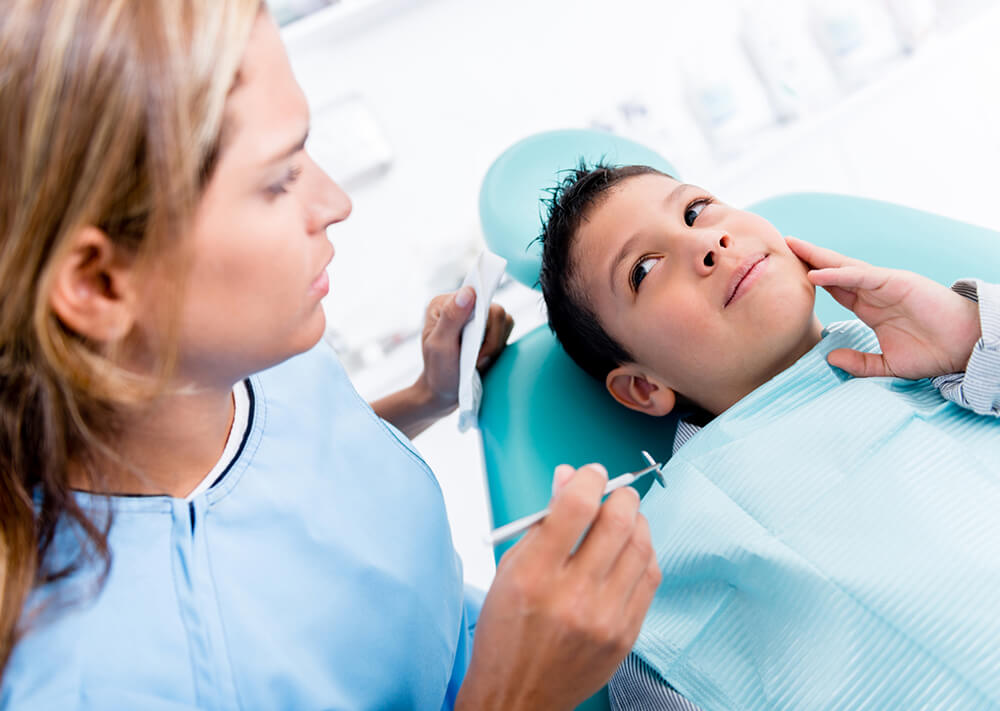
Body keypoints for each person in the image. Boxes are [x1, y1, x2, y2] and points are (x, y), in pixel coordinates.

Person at [0, 4, 662, 709]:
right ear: (99, 284)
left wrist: (423, 396)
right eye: (279, 178)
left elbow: (277, 477)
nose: (335, 201)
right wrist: (514, 694)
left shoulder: (246, 354)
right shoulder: (78, 681)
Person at [537, 163, 1000, 710]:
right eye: (645, 268)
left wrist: (968, 333)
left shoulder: (959, 360)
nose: (708, 245)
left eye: (694, 211)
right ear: (643, 386)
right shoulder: (658, 569)